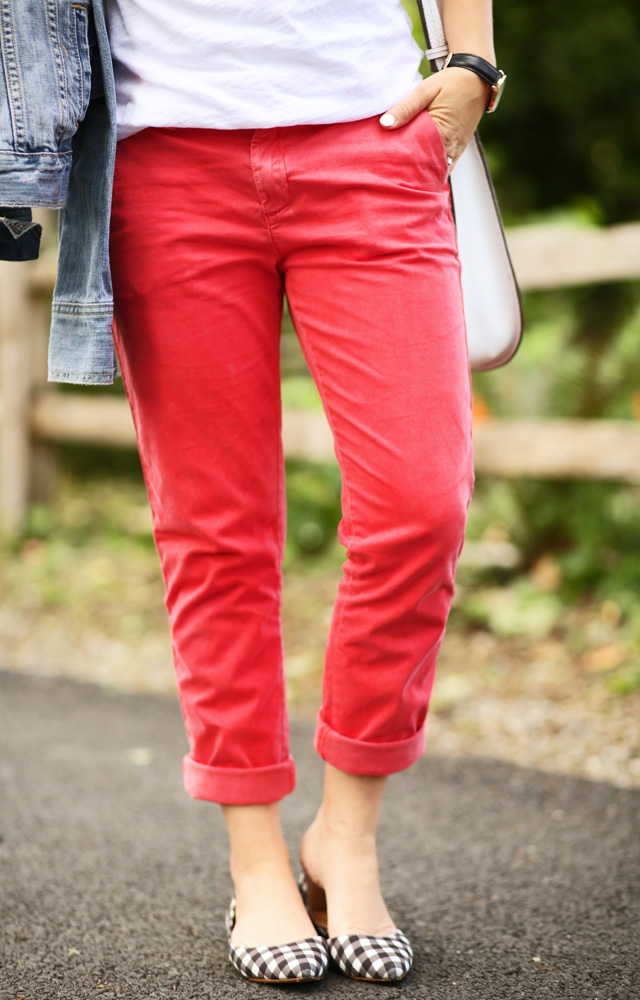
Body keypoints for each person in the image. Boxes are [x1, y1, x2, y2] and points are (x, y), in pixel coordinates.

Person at [108, 0, 498, 985]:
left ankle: (345, 840)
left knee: (422, 501)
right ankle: (256, 862)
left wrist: (474, 63)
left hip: (374, 133)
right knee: (213, 527)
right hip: (163, 149)